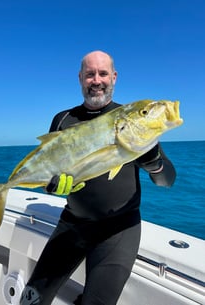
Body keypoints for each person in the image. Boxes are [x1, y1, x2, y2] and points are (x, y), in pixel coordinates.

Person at [20, 50, 176, 305]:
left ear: (114, 77)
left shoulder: (132, 118)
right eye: (90, 74)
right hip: (72, 224)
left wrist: (153, 161)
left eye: (103, 73)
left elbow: (167, 180)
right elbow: (49, 170)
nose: (96, 80)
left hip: (119, 230)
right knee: (30, 301)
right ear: (81, 78)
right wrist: (52, 186)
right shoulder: (63, 120)